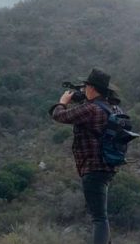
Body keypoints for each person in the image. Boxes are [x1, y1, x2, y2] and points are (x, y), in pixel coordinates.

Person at [50, 68, 118, 244]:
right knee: (101, 215)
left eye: (86, 85)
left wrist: (63, 102)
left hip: (92, 167)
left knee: (98, 218)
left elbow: (59, 116)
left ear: (92, 88)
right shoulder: (110, 107)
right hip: (107, 166)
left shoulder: (91, 109)